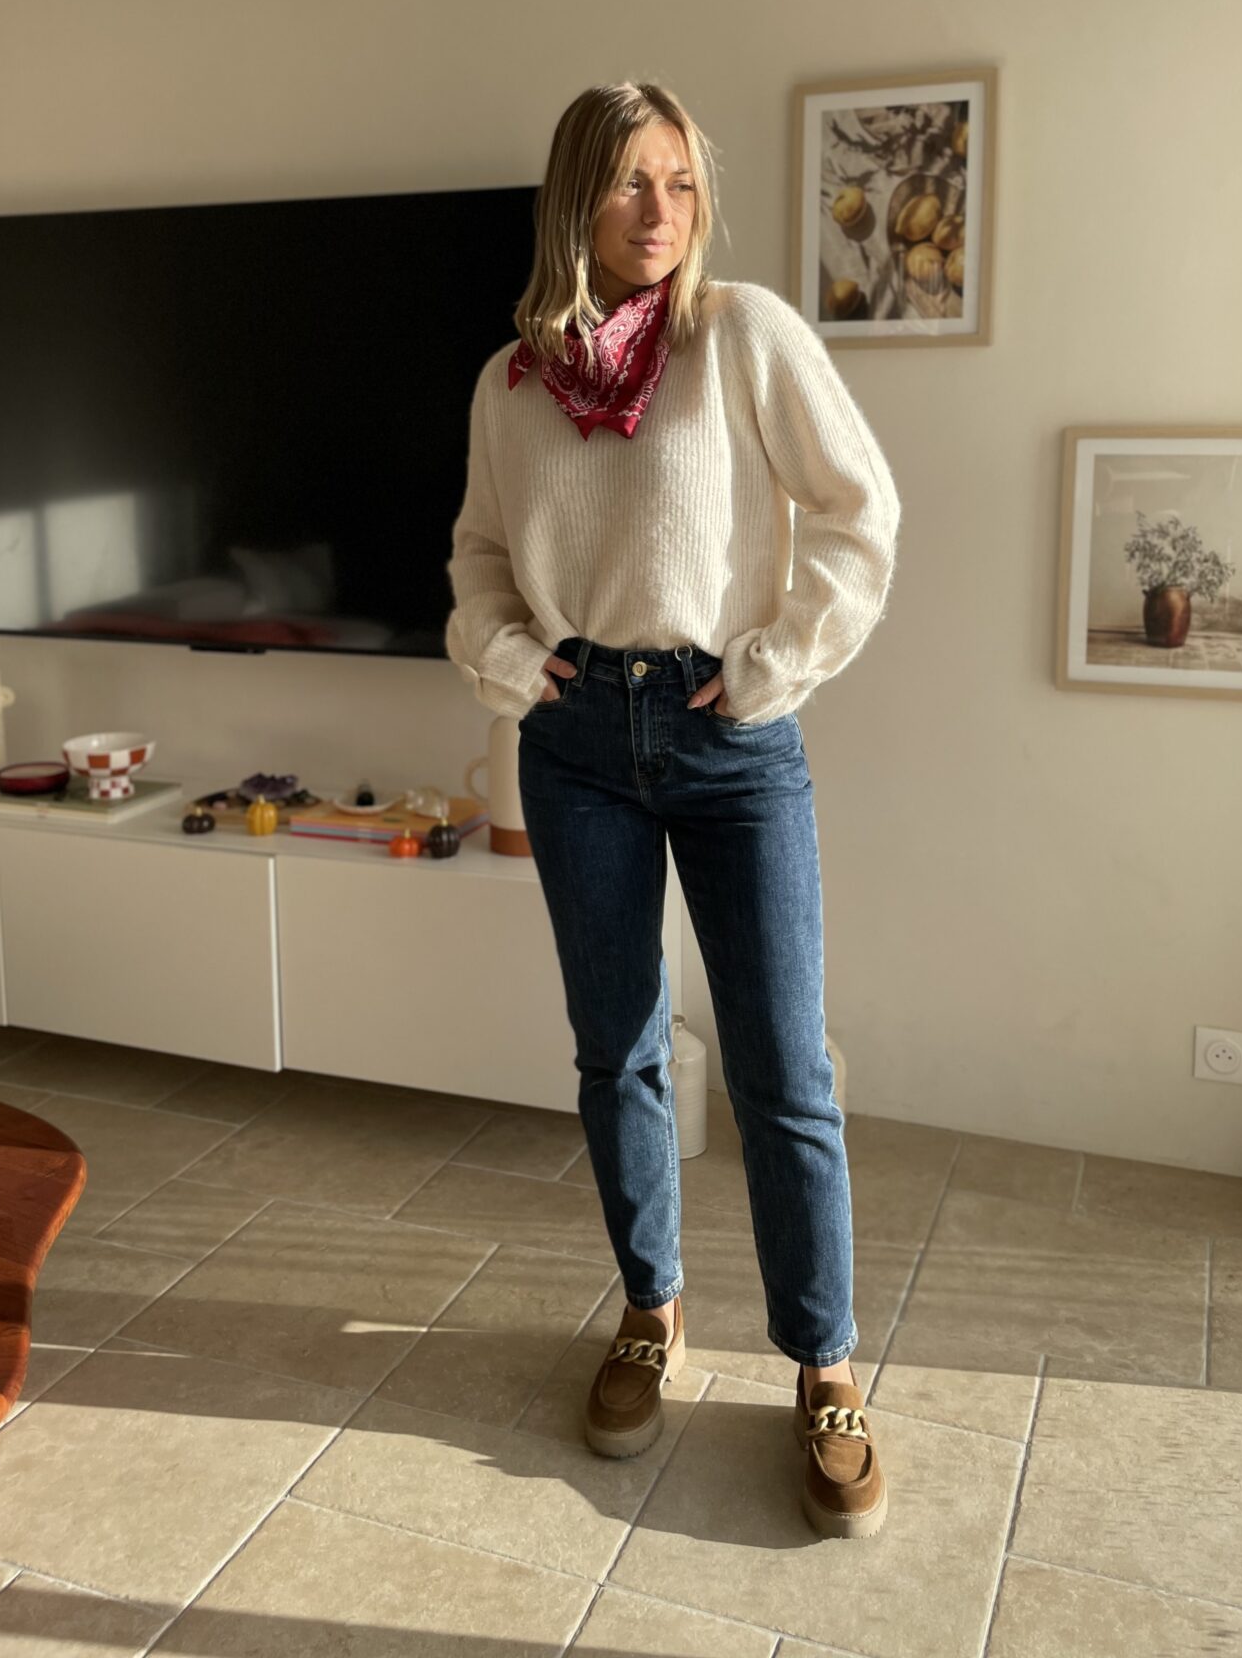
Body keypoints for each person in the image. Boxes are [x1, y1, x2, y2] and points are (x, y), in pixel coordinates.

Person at [445, 80, 901, 1539]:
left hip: (729, 737)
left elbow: (861, 512)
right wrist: (510, 659)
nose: (663, 209)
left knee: (783, 1067)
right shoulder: (511, 387)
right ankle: (652, 1312)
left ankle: (825, 1365)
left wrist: (771, 666)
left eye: (683, 181)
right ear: (574, 198)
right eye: (633, 181)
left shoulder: (741, 337)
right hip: (576, 743)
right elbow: (478, 559)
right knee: (619, 1051)